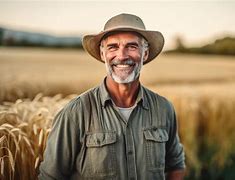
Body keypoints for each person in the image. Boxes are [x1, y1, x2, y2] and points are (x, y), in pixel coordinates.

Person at [39, 13, 185, 180]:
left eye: (132, 46)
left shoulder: (163, 108)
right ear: (103, 55)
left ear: (145, 54)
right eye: (113, 47)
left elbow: (176, 165)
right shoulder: (75, 113)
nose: (122, 56)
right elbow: (50, 176)